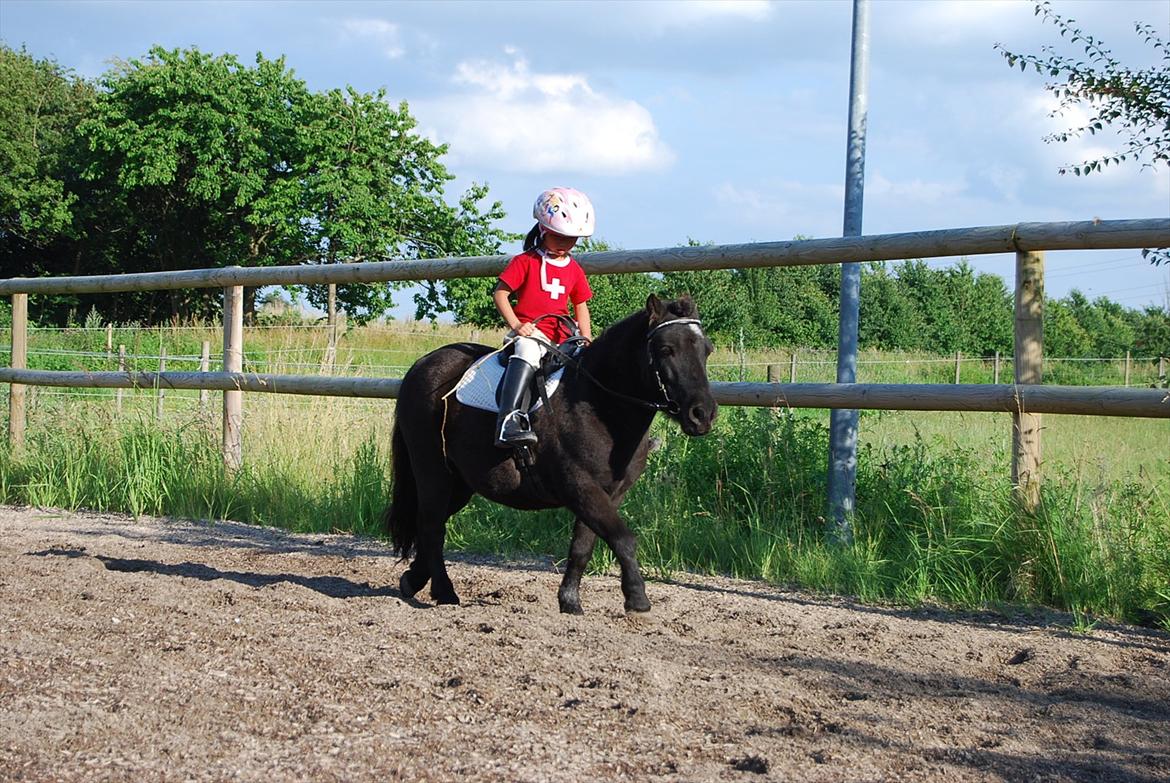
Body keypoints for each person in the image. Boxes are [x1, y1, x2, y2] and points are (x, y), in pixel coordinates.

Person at [492, 187, 595, 447]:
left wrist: (586, 336)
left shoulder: (574, 269)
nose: (565, 244)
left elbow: (580, 304)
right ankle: (509, 420)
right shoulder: (525, 262)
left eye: (571, 239)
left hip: (562, 335)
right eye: (559, 237)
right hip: (531, 333)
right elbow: (500, 294)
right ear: (543, 230)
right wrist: (516, 325)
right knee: (527, 351)